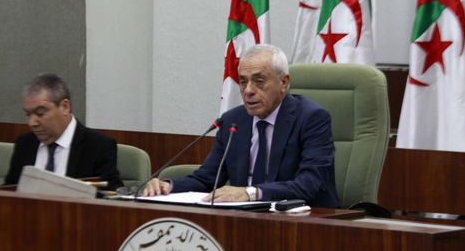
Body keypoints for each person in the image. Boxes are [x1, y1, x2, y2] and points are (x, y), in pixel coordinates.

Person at [143, 44, 340, 208]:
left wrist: (251, 193)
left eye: (259, 81)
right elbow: (206, 179)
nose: (248, 91)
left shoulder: (311, 118)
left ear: (283, 82)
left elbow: (310, 184)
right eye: (243, 82)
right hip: (245, 220)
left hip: (306, 224)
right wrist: (168, 186)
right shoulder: (233, 121)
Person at [4, 73, 123, 189]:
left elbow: (111, 196)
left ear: (65, 107)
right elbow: (9, 191)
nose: (32, 123)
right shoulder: (25, 143)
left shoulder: (99, 146)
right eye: (28, 114)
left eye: (40, 113)